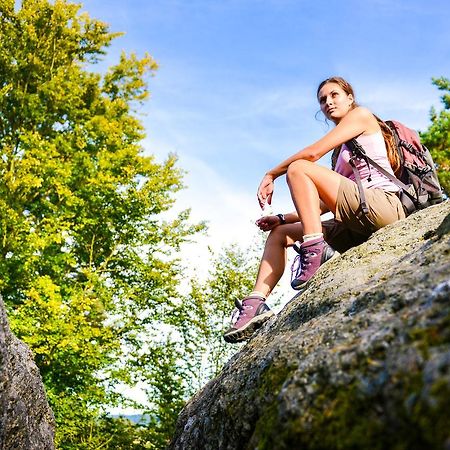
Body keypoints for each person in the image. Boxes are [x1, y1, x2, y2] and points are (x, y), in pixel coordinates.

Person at [223, 76, 406, 344]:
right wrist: (282, 218)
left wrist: (272, 173)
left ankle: (315, 249)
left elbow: (310, 155)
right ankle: (256, 305)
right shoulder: (340, 153)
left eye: (334, 95)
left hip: (384, 207)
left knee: (299, 168)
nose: (328, 102)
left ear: (350, 98)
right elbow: (322, 204)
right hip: (357, 221)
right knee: (281, 234)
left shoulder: (362, 116)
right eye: (323, 99)